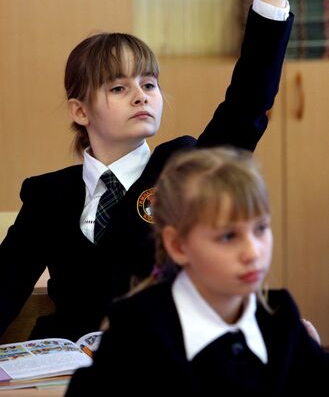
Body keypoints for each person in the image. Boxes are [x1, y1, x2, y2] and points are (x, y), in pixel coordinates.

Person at [0, 0, 293, 342]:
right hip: (69, 376)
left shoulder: (186, 168)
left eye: (149, 84)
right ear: (80, 110)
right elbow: (4, 287)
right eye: (118, 87)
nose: (141, 94)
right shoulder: (47, 195)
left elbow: (248, 104)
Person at [65, 146, 329, 396]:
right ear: (178, 245)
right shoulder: (136, 330)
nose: (253, 252)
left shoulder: (280, 317)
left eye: (260, 229)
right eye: (228, 236)